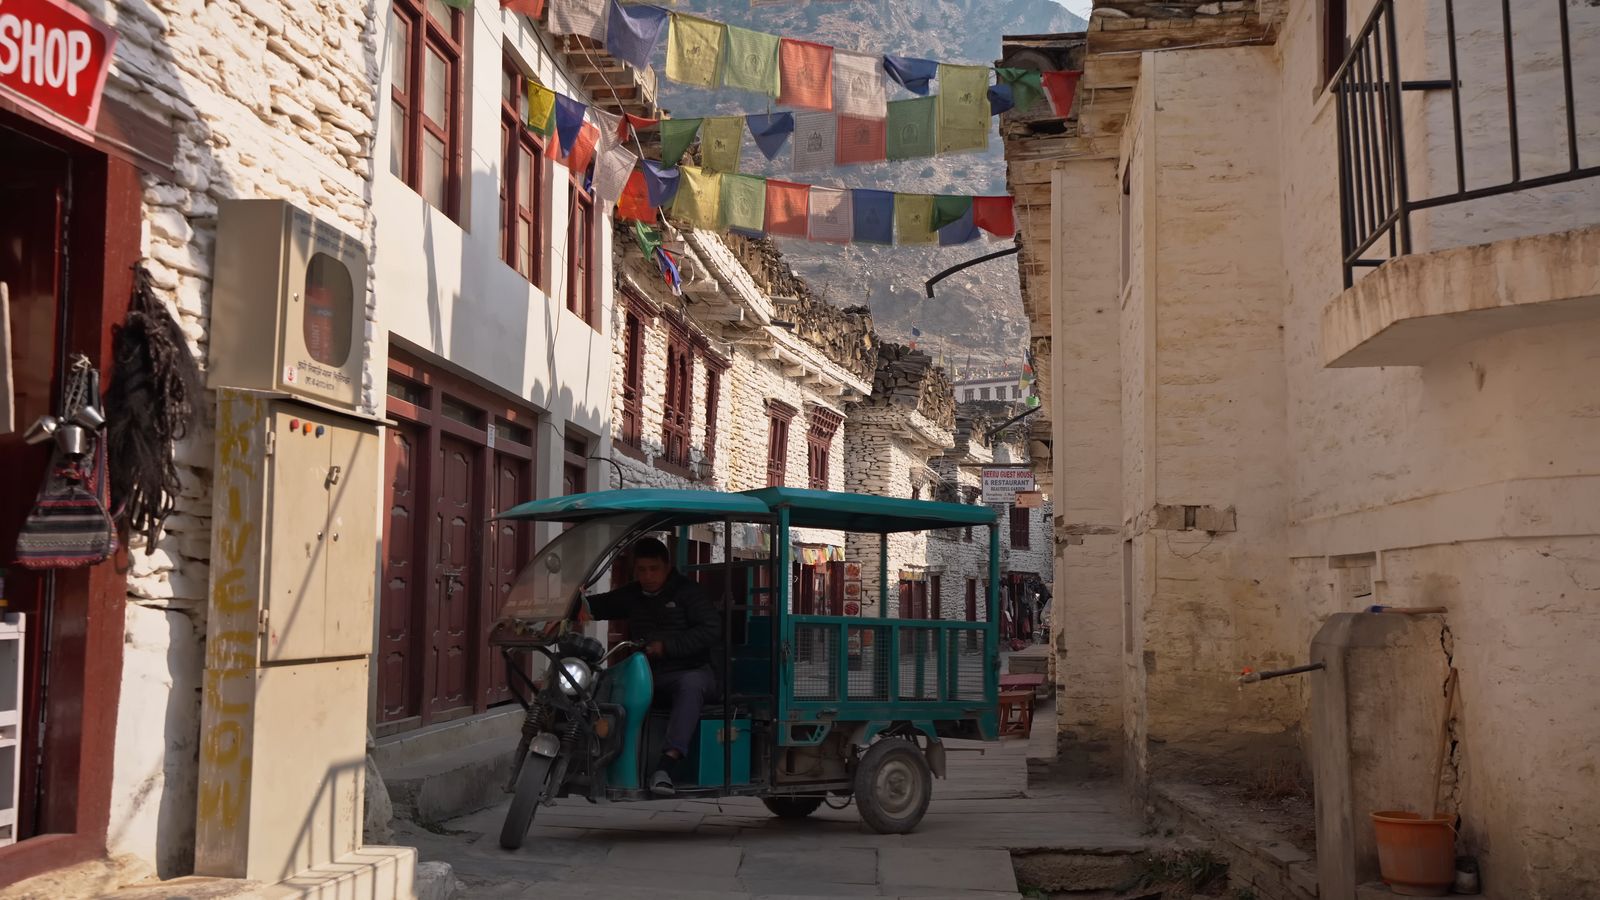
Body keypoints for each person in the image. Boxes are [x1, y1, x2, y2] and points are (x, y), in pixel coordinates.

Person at [586, 537, 720, 796]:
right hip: (648, 675)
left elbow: (711, 630)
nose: (648, 576)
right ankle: (596, 756)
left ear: (667, 567)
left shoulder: (688, 593)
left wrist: (666, 646)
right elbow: (598, 605)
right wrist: (568, 607)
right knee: (602, 683)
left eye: (654, 569)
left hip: (693, 672)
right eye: (642, 570)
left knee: (690, 685)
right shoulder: (633, 594)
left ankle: (665, 767)